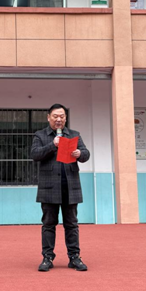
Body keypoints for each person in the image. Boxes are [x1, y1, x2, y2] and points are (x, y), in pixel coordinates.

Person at [30, 103, 90, 272]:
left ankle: (74, 257)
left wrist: (80, 153)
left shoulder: (74, 135)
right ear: (48, 117)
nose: (59, 119)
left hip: (70, 186)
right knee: (48, 224)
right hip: (49, 187)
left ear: (66, 118)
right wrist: (52, 145)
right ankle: (47, 258)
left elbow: (86, 154)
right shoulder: (40, 135)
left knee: (72, 224)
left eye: (62, 116)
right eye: (55, 116)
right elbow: (35, 154)